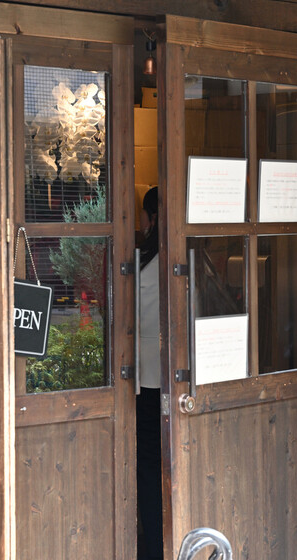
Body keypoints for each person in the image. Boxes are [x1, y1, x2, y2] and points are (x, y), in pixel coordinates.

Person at [136, 186, 164, 560]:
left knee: (147, 466)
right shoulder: (188, 256)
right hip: (175, 379)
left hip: (145, 381)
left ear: (151, 218)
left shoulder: (141, 263)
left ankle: (154, 547)